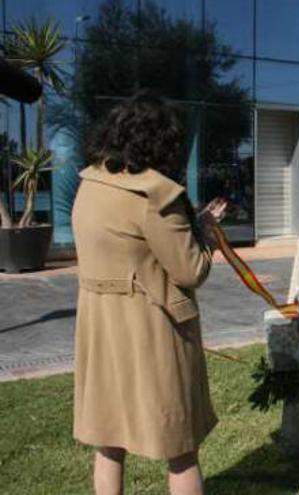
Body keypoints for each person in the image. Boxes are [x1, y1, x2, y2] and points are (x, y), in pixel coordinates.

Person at [72, 91, 225, 495]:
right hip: (153, 331)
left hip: (101, 332)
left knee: (109, 443)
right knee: (181, 449)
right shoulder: (156, 196)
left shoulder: (89, 182)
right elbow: (191, 270)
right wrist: (205, 232)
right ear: (163, 142)